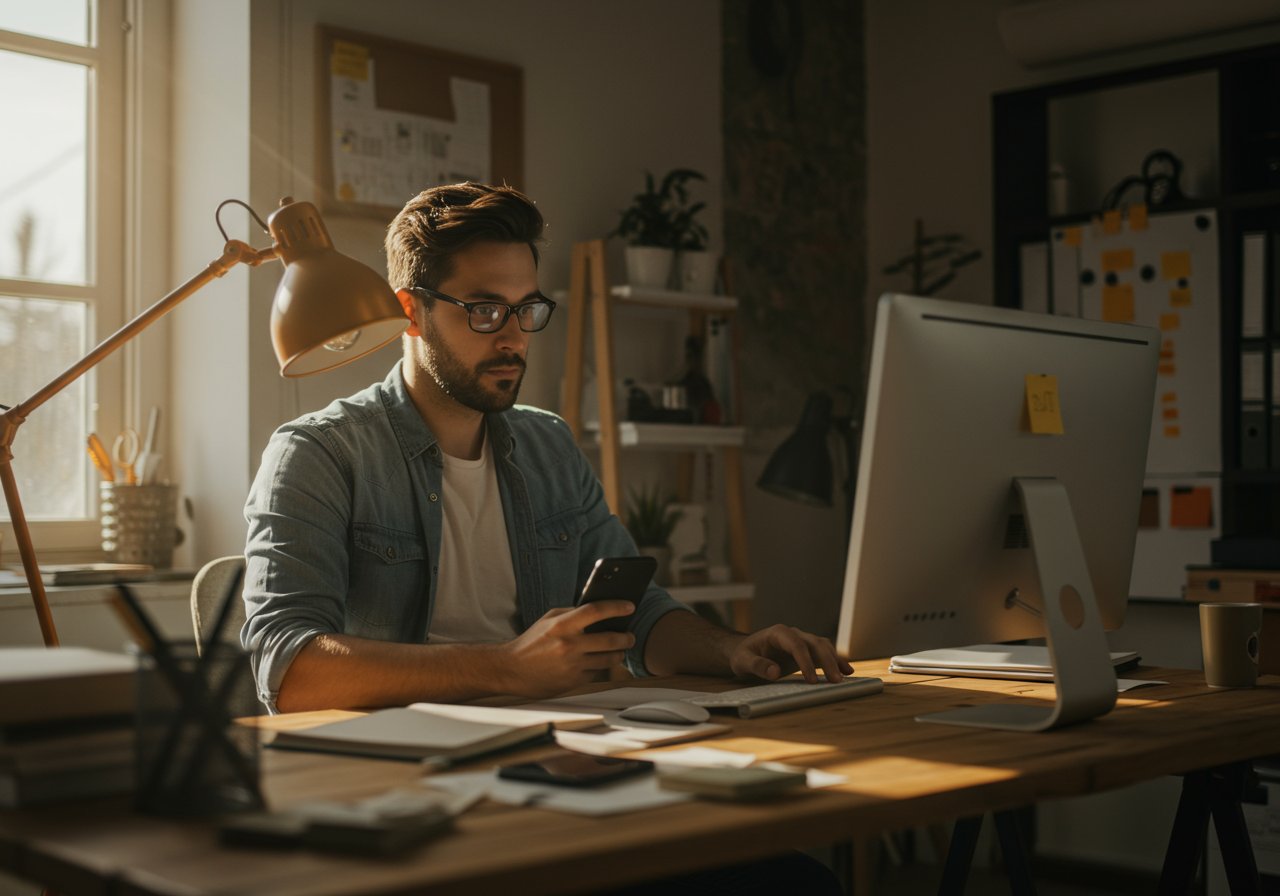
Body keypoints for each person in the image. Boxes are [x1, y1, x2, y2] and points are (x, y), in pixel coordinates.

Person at [243, 182, 846, 896]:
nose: (514, 337)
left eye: (527, 308)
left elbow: (638, 610)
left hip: (556, 766)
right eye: (485, 309)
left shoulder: (547, 443)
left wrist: (732, 649)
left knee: (792, 882)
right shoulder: (320, 452)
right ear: (412, 311)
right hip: (405, 799)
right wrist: (504, 668)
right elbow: (290, 668)